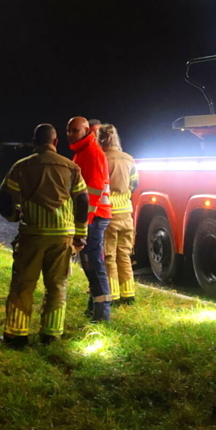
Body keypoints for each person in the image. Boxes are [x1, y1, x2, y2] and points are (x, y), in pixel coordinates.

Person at [0, 124, 88, 347]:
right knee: (57, 285)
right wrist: (80, 233)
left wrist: (14, 216)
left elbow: (3, 197)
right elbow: (83, 200)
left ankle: (16, 336)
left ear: (34, 142)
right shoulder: (71, 167)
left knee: (23, 284)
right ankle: (51, 335)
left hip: (33, 235)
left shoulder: (22, 166)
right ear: (55, 142)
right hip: (62, 236)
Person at [67, 116, 112, 322]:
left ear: (86, 130)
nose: (70, 134)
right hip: (94, 216)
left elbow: (92, 192)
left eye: (75, 130)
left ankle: (102, 315)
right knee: (90, 264)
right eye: (68, 130)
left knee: (93, 263)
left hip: (94, 217)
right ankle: (95, 308)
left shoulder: (90, 153)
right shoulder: (84, 151)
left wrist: (83, 224)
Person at [98, 124, 139, 305]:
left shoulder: (101, 159)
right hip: (126, 213)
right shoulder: (129, 158)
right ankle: (128, 294)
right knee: (124, 254)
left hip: (109, 213)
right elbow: (134, 184)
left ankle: (113, 295)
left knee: (109, 256)